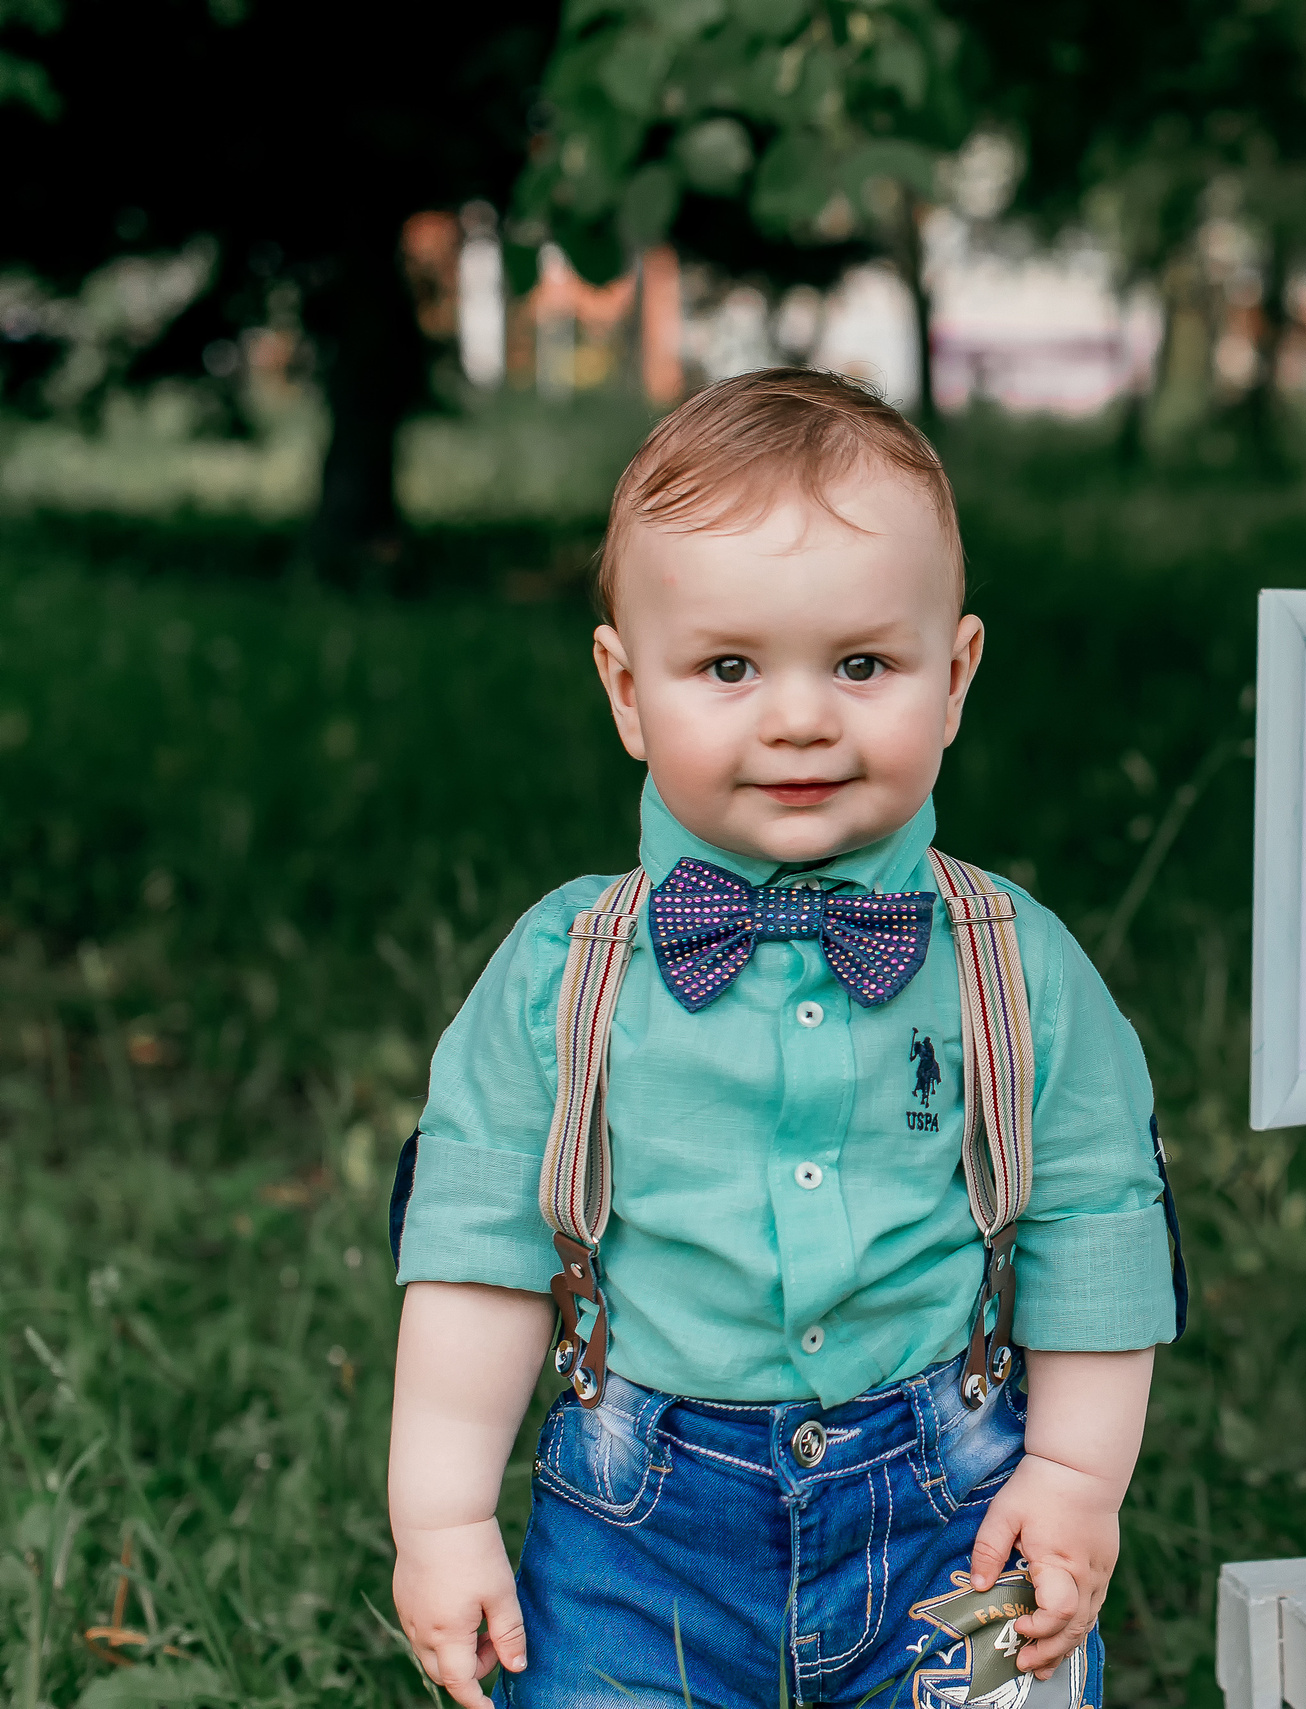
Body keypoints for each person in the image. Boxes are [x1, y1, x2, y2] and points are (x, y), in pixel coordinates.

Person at [383, 368, 1181, 1708]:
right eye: (730, 667)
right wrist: (444, 1517)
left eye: (863, 663)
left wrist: (1072, 1477)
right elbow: (478, 1252)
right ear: (628, 690)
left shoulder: (1016, 965)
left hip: (954, 1505)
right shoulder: (561, 973)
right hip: (638, 1533)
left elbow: (1099, 1220)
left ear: (958, 674)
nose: (801, 716)